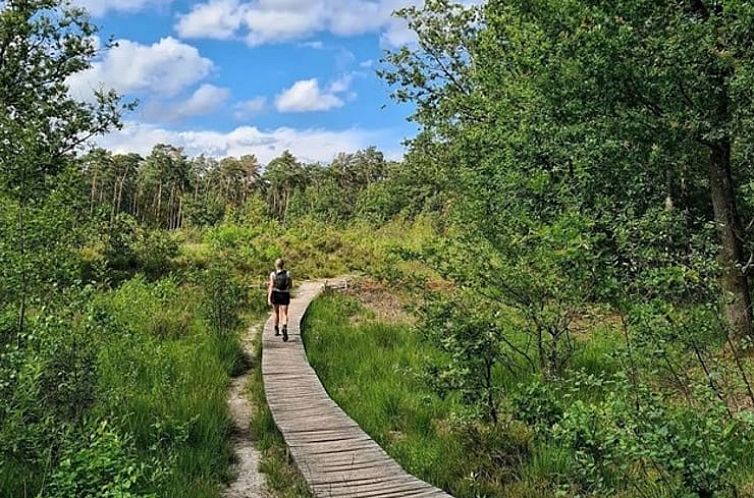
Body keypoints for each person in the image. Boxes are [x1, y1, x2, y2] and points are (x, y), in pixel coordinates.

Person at [268, 258, 292, 342]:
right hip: (285, 294)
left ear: (275, 265)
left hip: (276, 294)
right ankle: (284, 326)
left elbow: (271, 286)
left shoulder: (273, 274)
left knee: (276, 312)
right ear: (283, 265)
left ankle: (276, 329)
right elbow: (290, 285)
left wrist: (269, 297)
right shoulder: (288, 273)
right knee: (284, 313)